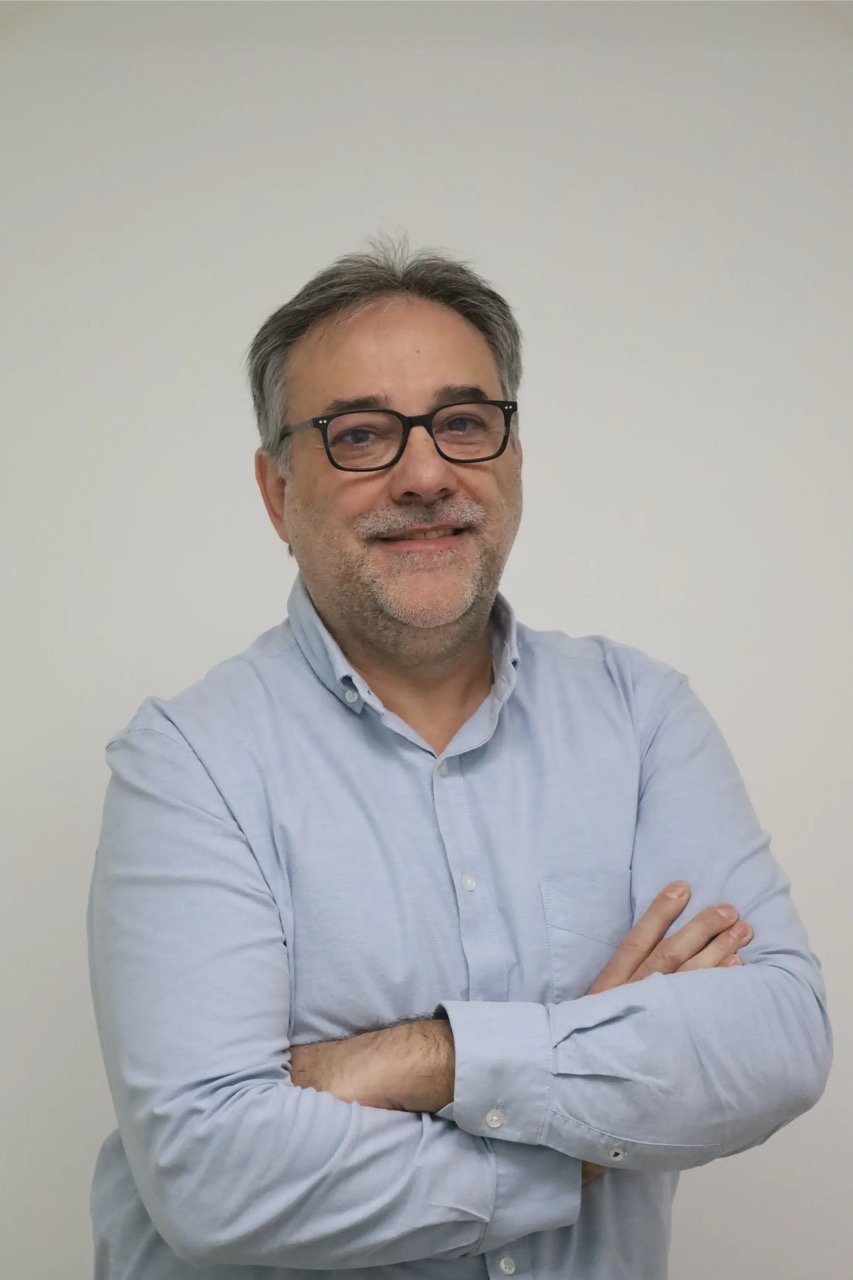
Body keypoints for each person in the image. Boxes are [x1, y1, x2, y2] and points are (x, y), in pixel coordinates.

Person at [87, 237, 832, 1280]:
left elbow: (778, 1040)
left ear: (512, 457)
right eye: (359, 435)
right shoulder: (188, 762)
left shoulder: (641, 717)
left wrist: (423, 1057)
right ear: (276, 491)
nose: (426, 473)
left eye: (464, 423)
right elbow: (211, 1174)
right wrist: (581, 1120)